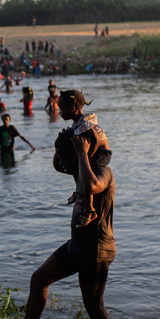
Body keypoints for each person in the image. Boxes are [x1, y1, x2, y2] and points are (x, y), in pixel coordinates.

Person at [0, 127, 117, 319]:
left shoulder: (101, 172)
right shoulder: (78, 170)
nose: (60, 161)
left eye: (63, 156)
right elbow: (58, 166)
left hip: (96, 248)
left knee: (94, 306)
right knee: (39, 279)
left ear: (78, 154)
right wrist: (66, 146)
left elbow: (93, 185)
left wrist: (81, 153)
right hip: (77, 245)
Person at [59, 90, 112, 228]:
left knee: (85, 171)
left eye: (61, 109)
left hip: (101, 153)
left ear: (72, 108)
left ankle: (89, 209)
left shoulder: (84, 122)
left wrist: (87, 158)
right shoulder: (77, 123)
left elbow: (95, 140)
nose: (59, 113)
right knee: (77, 167)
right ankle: (78, 192)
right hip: (92, 151)